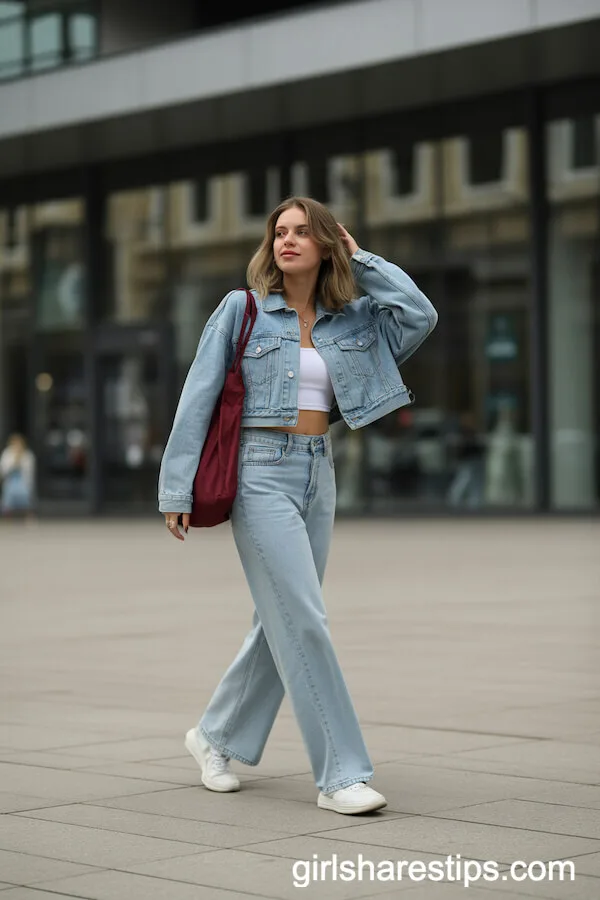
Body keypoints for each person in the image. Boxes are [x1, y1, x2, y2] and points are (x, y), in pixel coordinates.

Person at [158, 197, 438, 815]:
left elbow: (419, 316)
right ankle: (340, 775)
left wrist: (361, 259)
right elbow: (197, 394)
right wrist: (177, 488)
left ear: (325, 242)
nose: (286, 241)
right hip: (258, 475)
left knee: (281, 619)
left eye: (301, 232)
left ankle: (215, 736)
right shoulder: (244, 309)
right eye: (278, 232)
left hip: (319, 471)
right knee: (305, 619)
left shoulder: (356, 320)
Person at [0, 433, 36, 518]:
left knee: (26, 496)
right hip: (11, 481)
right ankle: (7, 515)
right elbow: (3, 468)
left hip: (23, 482)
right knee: (8, 497)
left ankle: (28, 514)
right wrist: (14, 462)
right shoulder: (7, 453)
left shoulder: (27, 455)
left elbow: (29, 472)